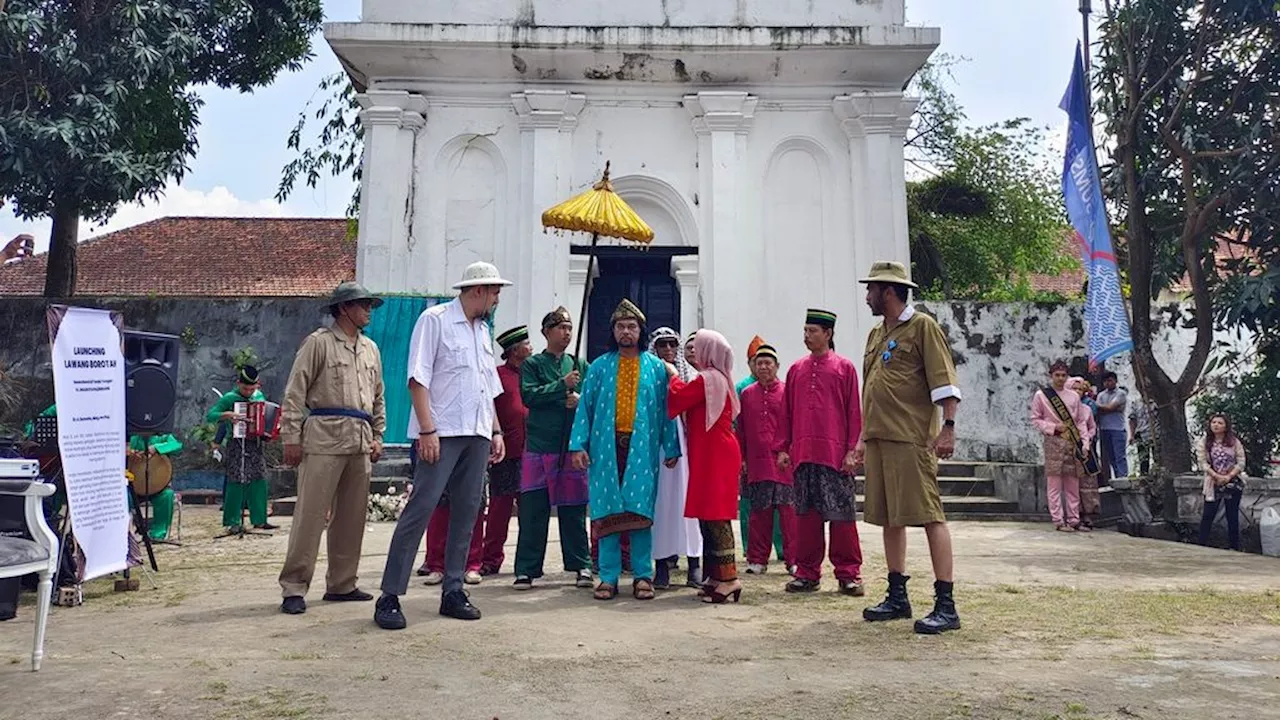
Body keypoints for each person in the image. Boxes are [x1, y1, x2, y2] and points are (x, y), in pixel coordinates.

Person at [374, 262, 510, 630]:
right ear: (477, 290)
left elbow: (488, 388)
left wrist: (496, 431)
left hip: (477, 432)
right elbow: (418, 378)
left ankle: (453, 588)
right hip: (442, 431)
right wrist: (427, 430)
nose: (497, 298)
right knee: (421, 508)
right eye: (494, 291)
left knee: (468, 512)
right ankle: (389, 595)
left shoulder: (482, 331)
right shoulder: (434, 320)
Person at [856, 261, 962, 634]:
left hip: (910, 437)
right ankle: (897, 595)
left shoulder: (923, 328)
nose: (866, 295)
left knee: (931, 515)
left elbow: (945, 383)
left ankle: (946, 604)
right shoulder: (876, 334)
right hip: (879, 438)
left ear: (887, 291)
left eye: (871, 289)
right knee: (888, 517)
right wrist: (860, 439)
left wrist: (947, 428)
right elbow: (870, 388)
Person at [277, 282, 387, 615]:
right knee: (310, 515)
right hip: (324, 435)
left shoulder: (370, 349)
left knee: (352, 517)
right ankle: (294, 586)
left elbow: (378, 396)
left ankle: (342, 583)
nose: (368, 309)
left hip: (359, 437)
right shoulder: (318, 344)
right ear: (342, 308)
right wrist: (290, 437)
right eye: (361, 304)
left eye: (369, 303)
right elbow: (295, 391)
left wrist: (378, 434)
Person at [569, 299, 680, 601]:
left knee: (639, 510)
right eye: (621, 326)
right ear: (613, 331)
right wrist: (578, 444)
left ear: (641, 331)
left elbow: (666, 410)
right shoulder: (599, 367)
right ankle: (608, 577)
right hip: (605, 449)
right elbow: (585, 410)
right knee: (606, 511)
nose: (626, 331)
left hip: (642, 450)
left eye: (632, 326)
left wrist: (671, 446)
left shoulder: (657, 368)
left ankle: (643, 576)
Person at [775, 309, 864, 596]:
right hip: (803, 455)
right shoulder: (796, 369)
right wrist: (783, 448)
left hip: (835, 455)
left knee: (842, 519)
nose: (807, 336)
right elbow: (786, 412)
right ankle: (807, 573)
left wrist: (853, 450)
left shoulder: (844, 368)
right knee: (806, 518)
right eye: (805, 331)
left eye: (812, 331)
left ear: (828, 334)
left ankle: (848, 574)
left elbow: (854, 412)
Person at [513, 307, 593, 590]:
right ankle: (526, 569)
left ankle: (581, 564)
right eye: (560, 328)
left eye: (570, 328)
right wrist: (561, 387)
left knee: (573, 510)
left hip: (571, 446)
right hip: (540, 445)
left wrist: (578, 398)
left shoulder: (580, 365)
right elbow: (529, 396)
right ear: (546, 332)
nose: (567, 333)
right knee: (534, 510)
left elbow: (592, 401)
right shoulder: (532, 365)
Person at [667, 329, 743, 603]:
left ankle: (729, 578)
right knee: (705, 513)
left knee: (715, 515)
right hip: (710, 450)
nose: (693, 353)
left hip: (716, 453)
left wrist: (672, 374)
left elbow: (678, 398)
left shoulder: (708, 378)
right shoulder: (716, 377)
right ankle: (715, 575)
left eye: (697, 347)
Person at [648, 326, 703, 589]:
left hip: (686, 445)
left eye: (672, 345)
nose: (668, 350)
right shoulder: (648, 373)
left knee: (689, 504)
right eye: (663, 345)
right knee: (660, 504)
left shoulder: (691, 375)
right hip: (656, 445)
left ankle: (694, 562)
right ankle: (661, 565)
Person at [737, 343, 796, 575]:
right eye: (759, 363)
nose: (763, 367)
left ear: (777, 366)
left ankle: (793, 560)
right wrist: (741, 457)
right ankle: (757, 559)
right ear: (753, 366)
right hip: (757, 464)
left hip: (783, 465)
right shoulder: (746, 395)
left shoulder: (786, 392)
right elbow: (740, 430)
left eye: (767, 363)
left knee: (789, 515)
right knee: (758, 514)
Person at [482, 325, 530, 575]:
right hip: (506, 451)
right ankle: (490, 558)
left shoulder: (533, 373)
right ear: (514, 350)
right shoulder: (498, 374)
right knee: (500, 508)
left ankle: (527, 562)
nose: (531, 348)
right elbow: (489, 406)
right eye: (526, 344)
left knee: (529, 511)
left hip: (531, 452)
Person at [207, 365, 277, 532]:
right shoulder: (230, 398)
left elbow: (266, 417)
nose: (248, 392)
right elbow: (211, 415)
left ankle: (259, 519)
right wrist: (228, 415)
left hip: (256, 443)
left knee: (259, 479)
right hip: (236, 443)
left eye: (251, 388)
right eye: (245, 388)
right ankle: (233, 522)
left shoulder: (258, 397)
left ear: (257, 385)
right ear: (238, 383)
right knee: (236, 481)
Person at [1030, 363, 1096, 532]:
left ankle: (1074, 519)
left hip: (1073, 443)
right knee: (1054, 484)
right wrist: (1052, 427)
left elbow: (1080, 421)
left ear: (1067, 376)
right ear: (1051, 376)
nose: (1060, 378)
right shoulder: (1042, 396)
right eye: (1057, 375)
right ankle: (1058, 520)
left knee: (1072, 483)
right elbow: (1035, 419)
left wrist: (1085, 443)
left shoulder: (1074, 397)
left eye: (1063, 375)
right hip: (1054, 442)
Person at [1197, 413, 1246, 551]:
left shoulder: (1234, 442)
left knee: (1232, 516)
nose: (1216, 425)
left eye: (1220, 423)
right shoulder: (1205, 442)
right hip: (1213, 483)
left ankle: (1234, 547)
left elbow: (1241, 462)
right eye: (1214, 422)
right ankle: (1201, 546)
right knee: (1208, 514)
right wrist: (1216, 475)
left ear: (1226, 426)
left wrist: (1229, 476)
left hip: (1232, 482)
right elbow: (1202, 463)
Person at [126, 431, 182, 541]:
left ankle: (157, 534)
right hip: (134, 488)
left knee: (167, 495)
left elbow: (177, 446)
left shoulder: (163, 436)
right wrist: (129, 452)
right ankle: (128, 533)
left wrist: (157, 448)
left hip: (158, 487)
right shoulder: (132, 437)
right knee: (124, 497)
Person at [1095, 372, 1129, 479]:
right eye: (1105, 381)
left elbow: (1109, 407)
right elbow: (1098, 411)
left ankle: (1123, 478)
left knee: (1120, 456)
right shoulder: (1101, 395)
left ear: (1115, 381)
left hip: (1118, 429)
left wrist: (1104, 408)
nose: (1107, 383)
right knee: (1111, 456)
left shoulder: (1121, 394)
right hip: (1104, 429)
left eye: (1110, 380)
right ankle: (1117, 477)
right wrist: (1109, 409)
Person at [1129, 396, 1155, 476]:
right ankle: (1144, 479)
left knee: (1158, 459)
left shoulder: (1156, 402)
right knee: (1143, 460)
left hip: (1156, 434)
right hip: (1141, 434)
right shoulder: (1136, 403)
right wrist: (1132, 435)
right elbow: (1132, 420)